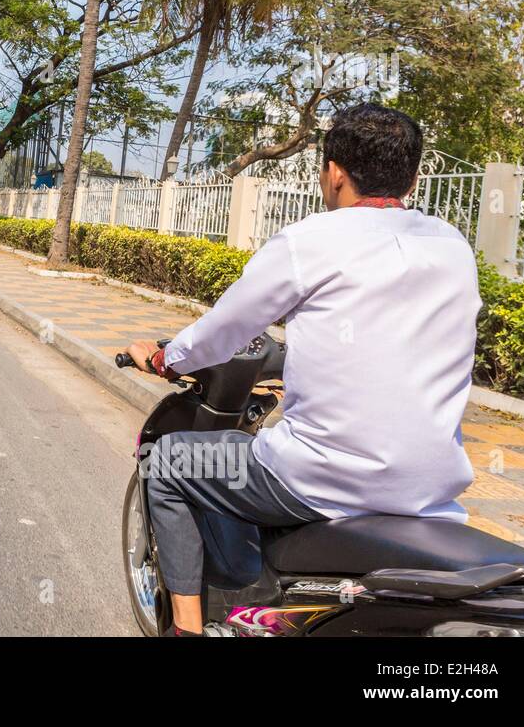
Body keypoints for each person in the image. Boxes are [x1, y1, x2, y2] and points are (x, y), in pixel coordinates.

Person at [121, 104, 481, 637]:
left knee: (168, 460)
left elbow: (225, 330)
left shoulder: (309, 241)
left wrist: (163, 357)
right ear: (413, 175)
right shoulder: (453, 247)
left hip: (323, 477)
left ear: (334, 172)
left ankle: (188, 630)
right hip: (432, 487)